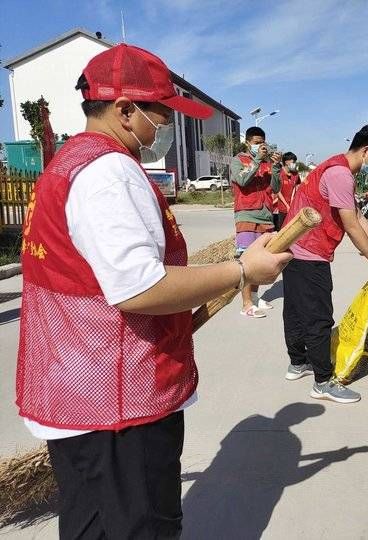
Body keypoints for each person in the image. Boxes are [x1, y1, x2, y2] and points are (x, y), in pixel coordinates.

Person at [15, 43, 291, 539]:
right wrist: (241, 270)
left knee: (93, 524)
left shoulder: (67, 164)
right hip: (119, 402)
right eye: (162, 115)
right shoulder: (109, 173)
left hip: (77, 386)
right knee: (142, 526)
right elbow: (140, 288)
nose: (164, 128)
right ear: (125, 110)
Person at [282, 123, 368, 404]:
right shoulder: (340, 175)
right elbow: (351, 225)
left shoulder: (333, 167)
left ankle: (298, 363)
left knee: (295, 311)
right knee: (319, 317)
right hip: (310, 253)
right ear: (367, 150)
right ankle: (323, 382)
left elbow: (358, 217)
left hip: (292, 248)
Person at [231, 126, 282, 318]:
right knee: (246, 261)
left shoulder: (266, 163)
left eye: (263, 142)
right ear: (248, 143)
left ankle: (254, 296)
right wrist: (257, 160)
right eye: (257, 142)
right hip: (247, 215)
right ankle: (246, 304)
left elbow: (276, 187)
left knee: (261, 260)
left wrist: (276, 167)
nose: (261, 146)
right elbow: (242, 181)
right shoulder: (238, 160)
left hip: (266, 216)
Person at [276, 151, 300, 230]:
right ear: (286, 162)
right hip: (280, 208)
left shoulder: (295, 175)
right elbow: (278, 191)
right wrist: (286, 205)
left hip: (292, 207)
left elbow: (298, 187)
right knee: (280, 230)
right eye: (293, 161)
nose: (295, 163)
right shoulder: (279, 173)